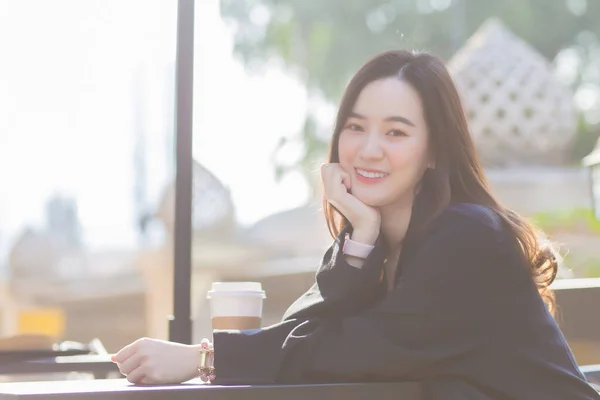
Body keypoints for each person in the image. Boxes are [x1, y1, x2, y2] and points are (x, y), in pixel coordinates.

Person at [112, 50, 600, 399]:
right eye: (355, 126)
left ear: (433, 152)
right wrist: (361, 236)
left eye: (396, 132)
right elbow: (306, 329)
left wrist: (203, 359)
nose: (369, 149)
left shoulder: (468, 237)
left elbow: (361, 348)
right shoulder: (378, 243)